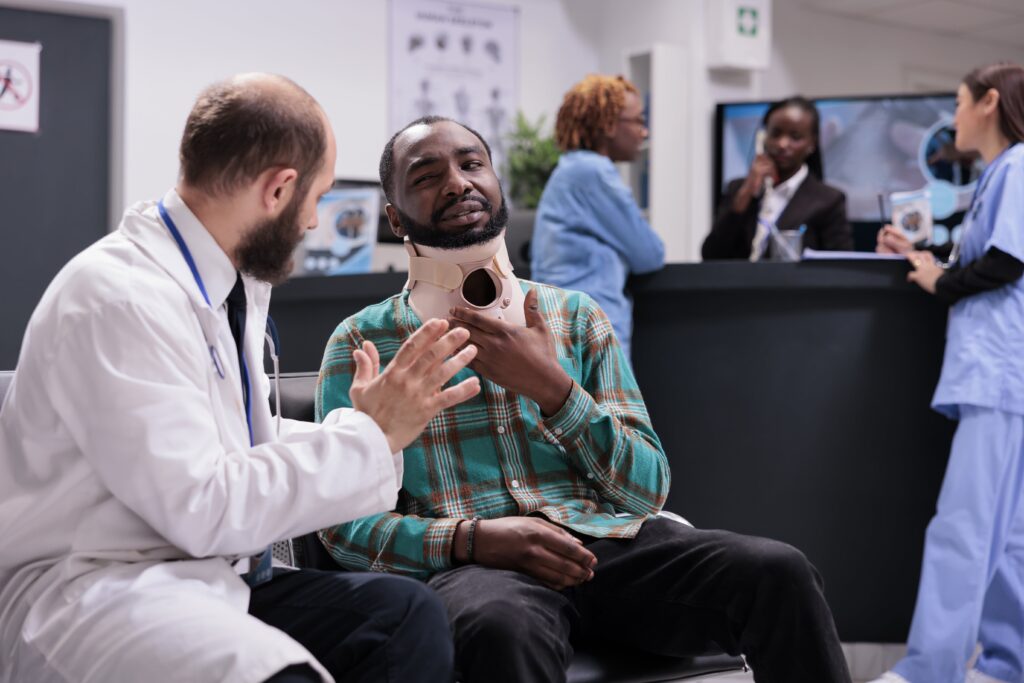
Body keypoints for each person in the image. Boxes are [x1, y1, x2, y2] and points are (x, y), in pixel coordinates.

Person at [315, 115, 852, 683]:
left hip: (607, 545)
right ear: (395, 217)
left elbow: (646, 490)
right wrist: (471, 540)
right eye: (427, 176)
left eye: (472, 164)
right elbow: (342, 529)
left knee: (779, 571)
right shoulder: (363, 343)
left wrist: (554, 390)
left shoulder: (576, 317)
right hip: (481, 569)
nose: (457, 183)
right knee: (497, 626)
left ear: (497, 182)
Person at [0, 74, 483, 683]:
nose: (314, 222)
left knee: (403, 616)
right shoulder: (118, 299)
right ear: (280, 188)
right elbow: (205, 504)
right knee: (276, 673)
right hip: (97, 587)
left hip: (199, 574)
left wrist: (363, 427)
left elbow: (222, 436)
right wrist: (371, 435)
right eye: (318, 197)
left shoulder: (223, 284)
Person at [869, 62, 1024, 683]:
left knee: (963, 525)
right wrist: (921, 260)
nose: (952, 118)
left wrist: (940, 279)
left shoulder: (1015, 169)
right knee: (1008, 535)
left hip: (998, 375)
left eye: (958, 104)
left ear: (989, 103)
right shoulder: (1002, 174)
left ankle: (929, 671)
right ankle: (1007, 664)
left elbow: (1009, 259)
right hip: (1004, 377)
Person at [531, 74, 665, 360]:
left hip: (569, 328)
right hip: (589, 331)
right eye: (638, 121)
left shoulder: (570, 170)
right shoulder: (593, 172)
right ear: (608, 125)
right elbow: (650, 253)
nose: (644, 132)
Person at [703, 96, 853, 260]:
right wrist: (745, 194)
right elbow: (710, 255)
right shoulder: (738, 189)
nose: (782, 144)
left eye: (795, 137)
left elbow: (839, 268)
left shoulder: (828, 200)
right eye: (775, 133)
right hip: (737, 284)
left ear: (812, 143)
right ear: (763, 136)